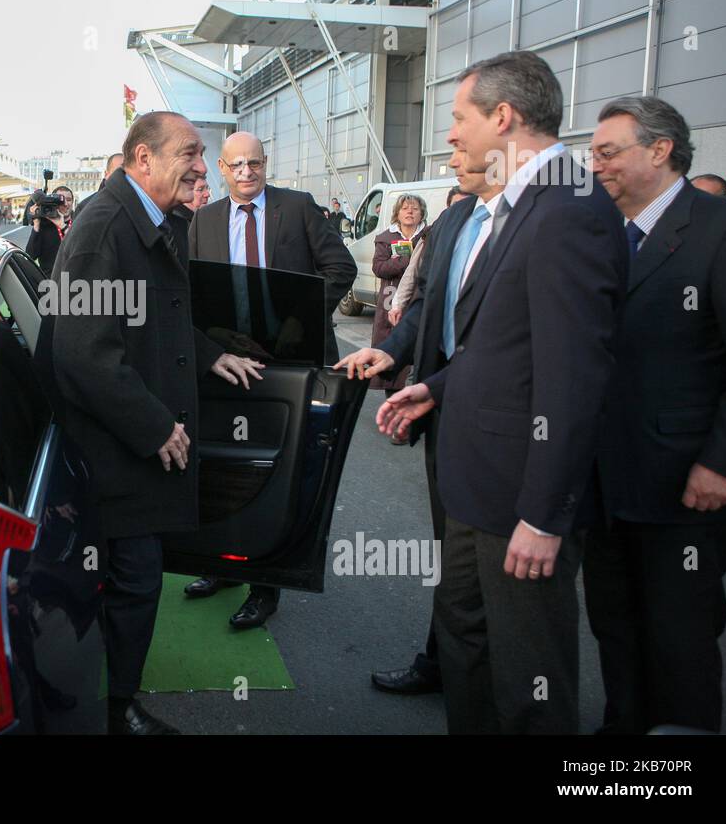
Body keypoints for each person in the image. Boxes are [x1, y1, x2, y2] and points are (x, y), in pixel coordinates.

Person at [377, 50, 627, 734]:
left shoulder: (566, 209)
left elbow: (574, 376)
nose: (452, 135)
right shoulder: (516, 207)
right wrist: (433, 385)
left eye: (460, 118)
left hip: (521, 499)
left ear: (504, 116)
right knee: (467, 646)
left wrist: (546, 516)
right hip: (473, 488)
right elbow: (502, 345)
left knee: (528, 679)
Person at [39, 111, 263, 734]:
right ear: (142, 158)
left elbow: (152, 320)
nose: (201, 165)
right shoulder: (102, 229)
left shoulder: (146, 220)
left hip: (123, 449)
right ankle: (114, 713)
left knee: (136, 583)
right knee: (133, 584)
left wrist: (212, 354)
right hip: (110, 454)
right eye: (190, 152)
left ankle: (116, 702)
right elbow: (83, 353)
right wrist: (156, 427)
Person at [585, 96, 726, 733]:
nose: (595, 166)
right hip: (602, 483)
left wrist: (721, 463)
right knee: (614, 625)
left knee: (678, 637)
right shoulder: (600, 232)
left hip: (687, 488)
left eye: (607, 152)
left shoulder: (723, 228)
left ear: (659, 150)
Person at [182, 131, 357, 629]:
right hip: (228, 364)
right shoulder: (204, 220)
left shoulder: (298, 208)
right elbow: (190, 290)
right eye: (236, 165)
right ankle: (221, 568)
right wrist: (212, 341)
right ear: (221, 168)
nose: (246, 173)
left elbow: (339, 268)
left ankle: (266, 586)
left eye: (254, 163)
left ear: (265, 163)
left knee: (278, 474)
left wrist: (303, 316)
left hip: (288, 366)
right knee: (224, 471)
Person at [337, 162, 480, 696]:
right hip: (444, 413)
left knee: (510, 592)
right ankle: (443, 662)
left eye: (463, 120)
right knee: (453, 556)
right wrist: (390, 351)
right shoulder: (456, 219)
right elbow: (423, 304)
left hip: (509, 431)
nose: (452, 142)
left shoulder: (537, 222)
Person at [369, 194, 426, 402]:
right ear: (397, 213)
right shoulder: (386, 237)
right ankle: (393, 402)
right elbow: (379, 267)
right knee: (391, 351)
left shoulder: (428, 236)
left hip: (418, 302)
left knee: (417, 353)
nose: (409, 212)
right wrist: (408, 261)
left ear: (422, 213)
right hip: (389, 304)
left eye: (414, 209)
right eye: (405, 209)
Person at [389, 187, 470, 329]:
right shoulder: (431, 234)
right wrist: (397, 304)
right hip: (437, 307)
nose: (461, 210)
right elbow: (412, 270)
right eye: (456, 205)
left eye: (466, 204)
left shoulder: (482, 232)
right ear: (448, 208)